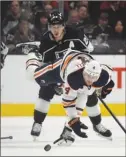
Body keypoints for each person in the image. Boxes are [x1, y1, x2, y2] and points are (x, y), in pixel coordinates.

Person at [26, 10, 94, 139]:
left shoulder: (76, 34)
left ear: (64, 26)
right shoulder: (45, 41)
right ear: (49, 27)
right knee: (45, 91)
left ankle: (69, 129)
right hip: (57, 71)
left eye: (58, 26)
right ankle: (38, 122)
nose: (55, 30)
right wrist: (57, 83)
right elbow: (46, 66)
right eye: (52, 27)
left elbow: (89, 49)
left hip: (75, 71)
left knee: (82, 94)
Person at [29, 48, 114, 145]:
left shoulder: (104, 77)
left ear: (99, 76)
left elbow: (108, 73)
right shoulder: (73, 78)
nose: (90, 80)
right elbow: (68, 103)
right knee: (31, 75)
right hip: (60, 68)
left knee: (84, 96)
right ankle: (32, 53)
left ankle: (67, 131)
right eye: (88, 76)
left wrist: (106, 90)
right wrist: (74, 122)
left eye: (94, 77)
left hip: (81, 61)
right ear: (83, 72)